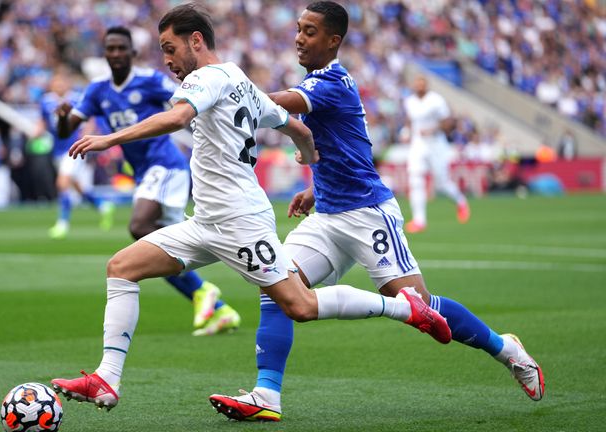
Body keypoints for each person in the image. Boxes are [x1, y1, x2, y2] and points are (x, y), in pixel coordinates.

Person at [50, 3, 450, 412]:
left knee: (300, 305)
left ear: (197, 41)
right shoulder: (238, 78)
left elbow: (177, 118)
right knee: (121, 268)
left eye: (170, 48)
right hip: (207, 222)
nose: (167, 59)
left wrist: (107, 139)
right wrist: (309, 155)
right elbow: (292, 124)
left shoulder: (204, 78)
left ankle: (403, 307)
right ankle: (107, 379)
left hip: (241, 222)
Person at [209, 1, 544, 422]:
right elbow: (350, 147)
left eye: (310, 31)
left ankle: (506, 349)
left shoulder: (331, 82)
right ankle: (267, 394)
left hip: (369, 215)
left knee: (418, 305)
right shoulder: (319, 81)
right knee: (277, 286)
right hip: (328, 217)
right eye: (298, 28)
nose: (298, 37)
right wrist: (315, 190)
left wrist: (225, 93)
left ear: (334, 41)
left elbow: (276, 104)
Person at [56, 26, 242, 336]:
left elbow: (185, 107)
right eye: (110, 49)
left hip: (166, 166)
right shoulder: (98, 89)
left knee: (140, 227)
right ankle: (220, 310)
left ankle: (204, 290)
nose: (115, 54)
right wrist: (63, 117)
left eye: (121, 48)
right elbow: (64, 131)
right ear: (105, 54)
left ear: (132, 53)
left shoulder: (150, 81)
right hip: (146, 175)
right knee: (164, 248)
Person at [41, 68, 115, 236]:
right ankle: (102, 205)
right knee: (77, 187)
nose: (58, 85)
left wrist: (87, 133)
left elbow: (90, 117)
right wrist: (36, 132)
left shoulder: (76, 98)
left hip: (74, 147)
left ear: (67, 83)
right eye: (55, 82)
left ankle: (62, 223)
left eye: (61, 82)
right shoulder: (46, 101)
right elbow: (43, 121)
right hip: (57, 149)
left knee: (62, 183)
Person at [401, 75, 470, 233]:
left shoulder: (436, 100)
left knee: (441, 182)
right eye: (416, 83)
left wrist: (433, 129)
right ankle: (419, 220)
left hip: (436, 143)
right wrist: (406, 132)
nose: (419, 86)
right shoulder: (410, 101)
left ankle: (460, 200)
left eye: (422, 83)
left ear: (427, 85)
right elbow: (410, 120)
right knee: (415, 178)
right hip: (418, 143)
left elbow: (448, 121)